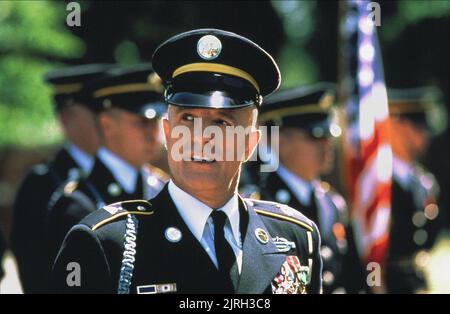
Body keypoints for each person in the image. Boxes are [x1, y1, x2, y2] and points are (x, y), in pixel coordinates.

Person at [50, 28, 322, 294]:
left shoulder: (294, 237)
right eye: (187, 120)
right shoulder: (106, 244)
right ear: (168, 134)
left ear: (251, 144)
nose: (201, 138)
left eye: (221, 122)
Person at [242, 83, 366, 293]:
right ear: (278, 140)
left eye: (328, 136)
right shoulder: (258, 204)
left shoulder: (332, 202)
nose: (327, 144)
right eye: (315, 136)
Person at [46, 64, 168, 268]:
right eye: (141, 122)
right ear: (107, 125)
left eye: (155, 121)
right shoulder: (78, 203)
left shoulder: (161, 187)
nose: (152, 132)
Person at [11, 64, 113, 293]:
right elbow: (36, 274)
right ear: (66, 118)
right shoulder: (43, 185)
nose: (107, 121)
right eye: (98, 112)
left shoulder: (135, 176)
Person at [386, 87, 443, 293]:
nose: (424, 135)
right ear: (394, 124)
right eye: (417, 127)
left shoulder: (423, 181)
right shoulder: (375, 183)